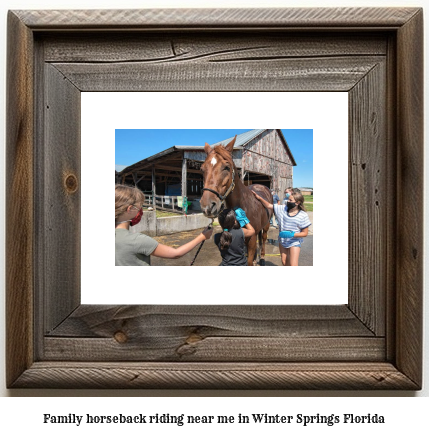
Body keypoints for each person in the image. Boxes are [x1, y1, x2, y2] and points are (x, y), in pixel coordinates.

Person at [115, 184, 213, 266]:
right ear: (130, 209)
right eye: (139, 207)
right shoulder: (137, 240)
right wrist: (202, 236)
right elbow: (176, 253)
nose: (141, 211)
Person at [251, 188, 311, 266]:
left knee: (293, 264)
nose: (287, 202)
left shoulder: (303, 215)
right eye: (288, 200)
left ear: (297, 203)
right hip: (282, 240)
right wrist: (259, 198)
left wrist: (292, 234)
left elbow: (305, 233)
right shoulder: (283, 209)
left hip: (294, 241)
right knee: (284, 262)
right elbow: (269, 205)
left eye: (290, 200)